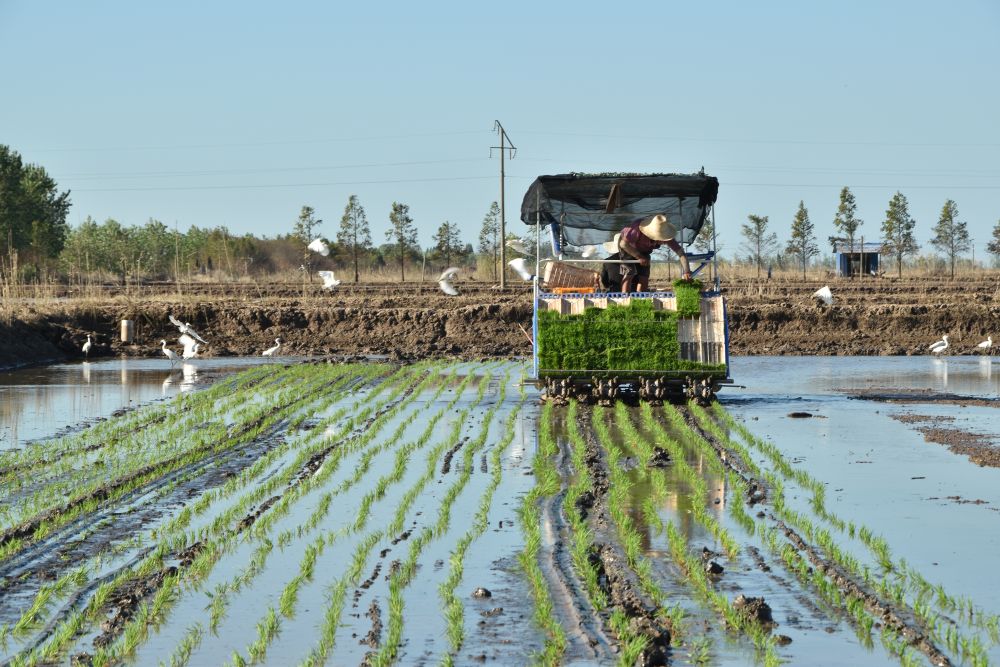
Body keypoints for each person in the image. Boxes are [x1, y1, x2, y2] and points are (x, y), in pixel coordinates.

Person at [618, 214, 691, 293]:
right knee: (629, 272)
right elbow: (623, 244)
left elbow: (681, 253)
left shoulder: (666, 235)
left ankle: (641, 298)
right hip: (628, 247)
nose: (663, 241)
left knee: (644, 274)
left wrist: (687, 271)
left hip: (644, 250)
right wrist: (638, 256)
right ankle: (624, 298)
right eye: (661, 238)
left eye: (664, 238)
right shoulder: (637, 230)